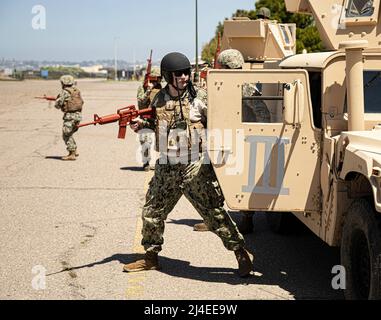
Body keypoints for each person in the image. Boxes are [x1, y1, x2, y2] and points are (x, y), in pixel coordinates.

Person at [123, 52, 254, 277]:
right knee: (152, 211)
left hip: (195, 162)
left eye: (186, 72)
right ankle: (151, 257)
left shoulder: (201, 96)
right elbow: (153, 122)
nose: (184, 77)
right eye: (178, 74)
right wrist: (140, 124)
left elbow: (223, 119)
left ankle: (241, 253)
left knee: (213, 213)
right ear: (167, 76)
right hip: (166, 163)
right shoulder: (158, 98)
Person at [216, 49, 271, 234]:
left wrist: (255, 135)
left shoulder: (245, 86)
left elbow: (263, 113)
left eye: (222, 67)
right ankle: (216, 220)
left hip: (243, 139)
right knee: (216, 177)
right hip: (224, 136)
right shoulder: (223, 84)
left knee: (243, 180)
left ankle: (247, 219)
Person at [136, 67, 162, 171]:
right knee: (145, 141)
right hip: (145, 119)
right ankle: (146, 162)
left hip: (157, 118)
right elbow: (141, 101)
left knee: (163, 142)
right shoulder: (142, 88)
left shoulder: (160, 88)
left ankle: (162, 164)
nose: (157, 81)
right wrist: (148, 90)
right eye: (155, 78)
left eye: (158, 79)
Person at [54, 75, 83, 161]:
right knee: (69, 133)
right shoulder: (76, 90)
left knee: (66, 134)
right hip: (78, 116)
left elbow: (57, 105)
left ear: (63, 83)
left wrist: (57, 101)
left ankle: (72, 153)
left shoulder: (65, 92)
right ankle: (74, 150)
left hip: (70, 117)